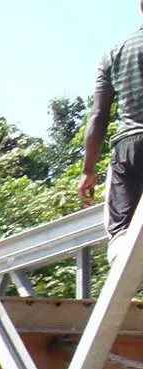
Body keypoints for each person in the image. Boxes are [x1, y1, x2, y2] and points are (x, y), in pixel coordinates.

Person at [82, 10, 143, 241]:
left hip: (130, 148)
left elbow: (98, 114)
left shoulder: (113, 54)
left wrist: (88, 170)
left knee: (122, 232)